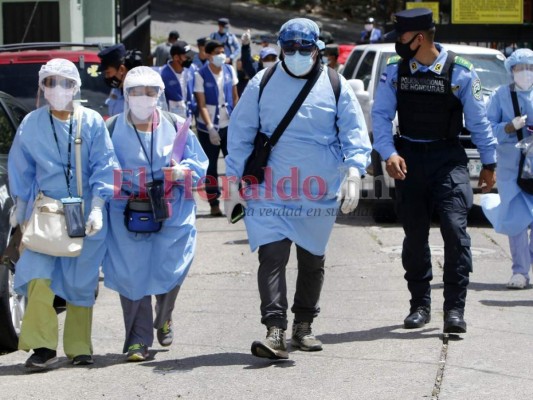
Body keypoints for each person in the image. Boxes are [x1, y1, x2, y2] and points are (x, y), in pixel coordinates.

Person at [224, 18, 371, 360]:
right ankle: (274, 329)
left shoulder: (336, 84)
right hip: (270, 187)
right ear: (280, 48)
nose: (296, 54)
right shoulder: (262, 82)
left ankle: (303, 326)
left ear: (317, 48)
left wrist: (354, 170)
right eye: (288, 48)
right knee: (272, 255)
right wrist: (232, 182)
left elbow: (353, 132)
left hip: (318, 187)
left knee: (311, 259)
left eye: (304, 48)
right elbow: (241, 133)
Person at [371, 8, 497, 334]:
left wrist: (489, 163)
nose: (397, 43)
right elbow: (381, 117)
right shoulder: (395, 71)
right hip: (409, 159)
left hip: (447, 158)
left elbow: (479, 123)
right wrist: (389, 153)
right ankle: (420, 305)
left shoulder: (461, 72)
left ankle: (454, 309)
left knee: (455, 231)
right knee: (415, 235)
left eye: (400, 37)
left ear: (419, 37)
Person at [8, 58, 119, 369]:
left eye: (65, 82)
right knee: (37, 277)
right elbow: (22, 169)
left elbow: (104, 165)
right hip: (45, 213)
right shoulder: (31, 123)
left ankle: (79, 347)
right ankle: (42, 346)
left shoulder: (93, 121)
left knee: (80, 283)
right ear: (42, 87)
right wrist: (21, 207)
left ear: (75, 87)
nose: (58, 89)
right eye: (51, 82)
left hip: (85, 213)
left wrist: (98, 205)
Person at [102, 66, 208, 362]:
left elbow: (198, 163)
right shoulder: (111, 128)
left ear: (160, 95)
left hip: (171, 207)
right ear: (125, 95)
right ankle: (138, 340)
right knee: (131, 274)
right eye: (136, 92)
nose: (143, 98)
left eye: (150, 92)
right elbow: (99, 165)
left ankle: (164, 315)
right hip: (127, 210)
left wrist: (183, 171)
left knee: (172, 268)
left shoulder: (176, 125)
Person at [482, 48, 533, 289]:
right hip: (511, 169)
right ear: (511, 71)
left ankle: (528, 261)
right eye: (519, 68)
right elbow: (487, 128)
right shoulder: (501, 95)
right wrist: (509, 128)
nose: (525, 72)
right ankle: (520, 271)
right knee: (517, 221)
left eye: (529, 67)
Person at [194, 40, 239, 217]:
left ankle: (235, 201)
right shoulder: (201, 74)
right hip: (208, 127)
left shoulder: (229, 70)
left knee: (234, 163)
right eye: (218, 52)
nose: (222, 55)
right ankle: (214, 202)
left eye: (223, 52)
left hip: (228, 124)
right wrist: (210, 127)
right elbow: (201, 104)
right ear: (209, 55)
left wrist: (238, 120)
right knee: (211, 166)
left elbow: (235, 98)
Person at [98, 44, 143, 116]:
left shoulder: (140, 94)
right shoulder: (116, 89)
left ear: (122, 69)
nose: (106, 77)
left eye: (108, 72)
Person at [160, 40, 196, 118]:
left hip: (187, 117)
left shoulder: (191, 69)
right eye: (186, 57)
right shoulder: (163, 74)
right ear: (176, 57)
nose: (190, 59)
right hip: (171, 119)